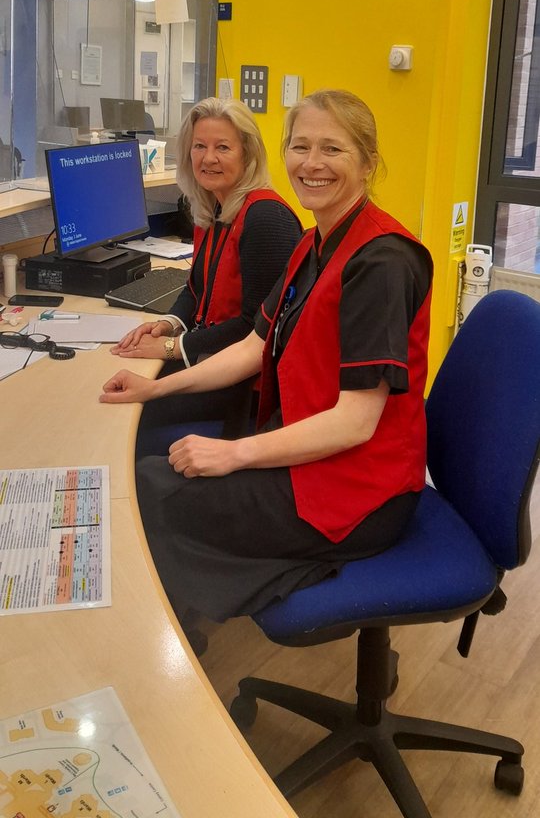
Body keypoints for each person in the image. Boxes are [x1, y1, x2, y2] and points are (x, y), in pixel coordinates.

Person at [101, 89, 433, 625]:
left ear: (368, 163)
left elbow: (355, 422)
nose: (312, 163)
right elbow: (253, 347)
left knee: (153, 491)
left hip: (361, 489)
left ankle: (173, 644)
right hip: (308, 448)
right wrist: (155, 387)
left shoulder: (382, 262)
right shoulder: (312, 244)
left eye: (332, 149)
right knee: (152, 476)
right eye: (300, 147)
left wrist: (234, 454)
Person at [113, 96, 302, 452]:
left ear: (248, 154)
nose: (208, 157)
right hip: (211, 360)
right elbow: (196, 288)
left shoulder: (265, 219)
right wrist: (168, 324)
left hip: (245, 389)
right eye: (199, 146)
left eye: (222, 147)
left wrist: (173, 348)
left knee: (132, 417)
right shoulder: (214, 207)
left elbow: (256, 329)